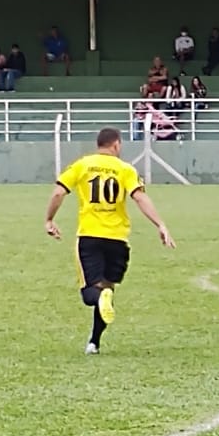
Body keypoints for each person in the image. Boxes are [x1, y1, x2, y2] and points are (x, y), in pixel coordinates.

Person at [44, 126, 175, 354]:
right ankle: (94, 342)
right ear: (116, 145)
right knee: (107, 290)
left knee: (90, 294)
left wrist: (49, 219)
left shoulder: (82, 164)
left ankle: (95, 332)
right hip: (117, 239)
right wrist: (160, 224)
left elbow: (58, 192)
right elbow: (140, 197)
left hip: (90, 236)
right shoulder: (125, 169)